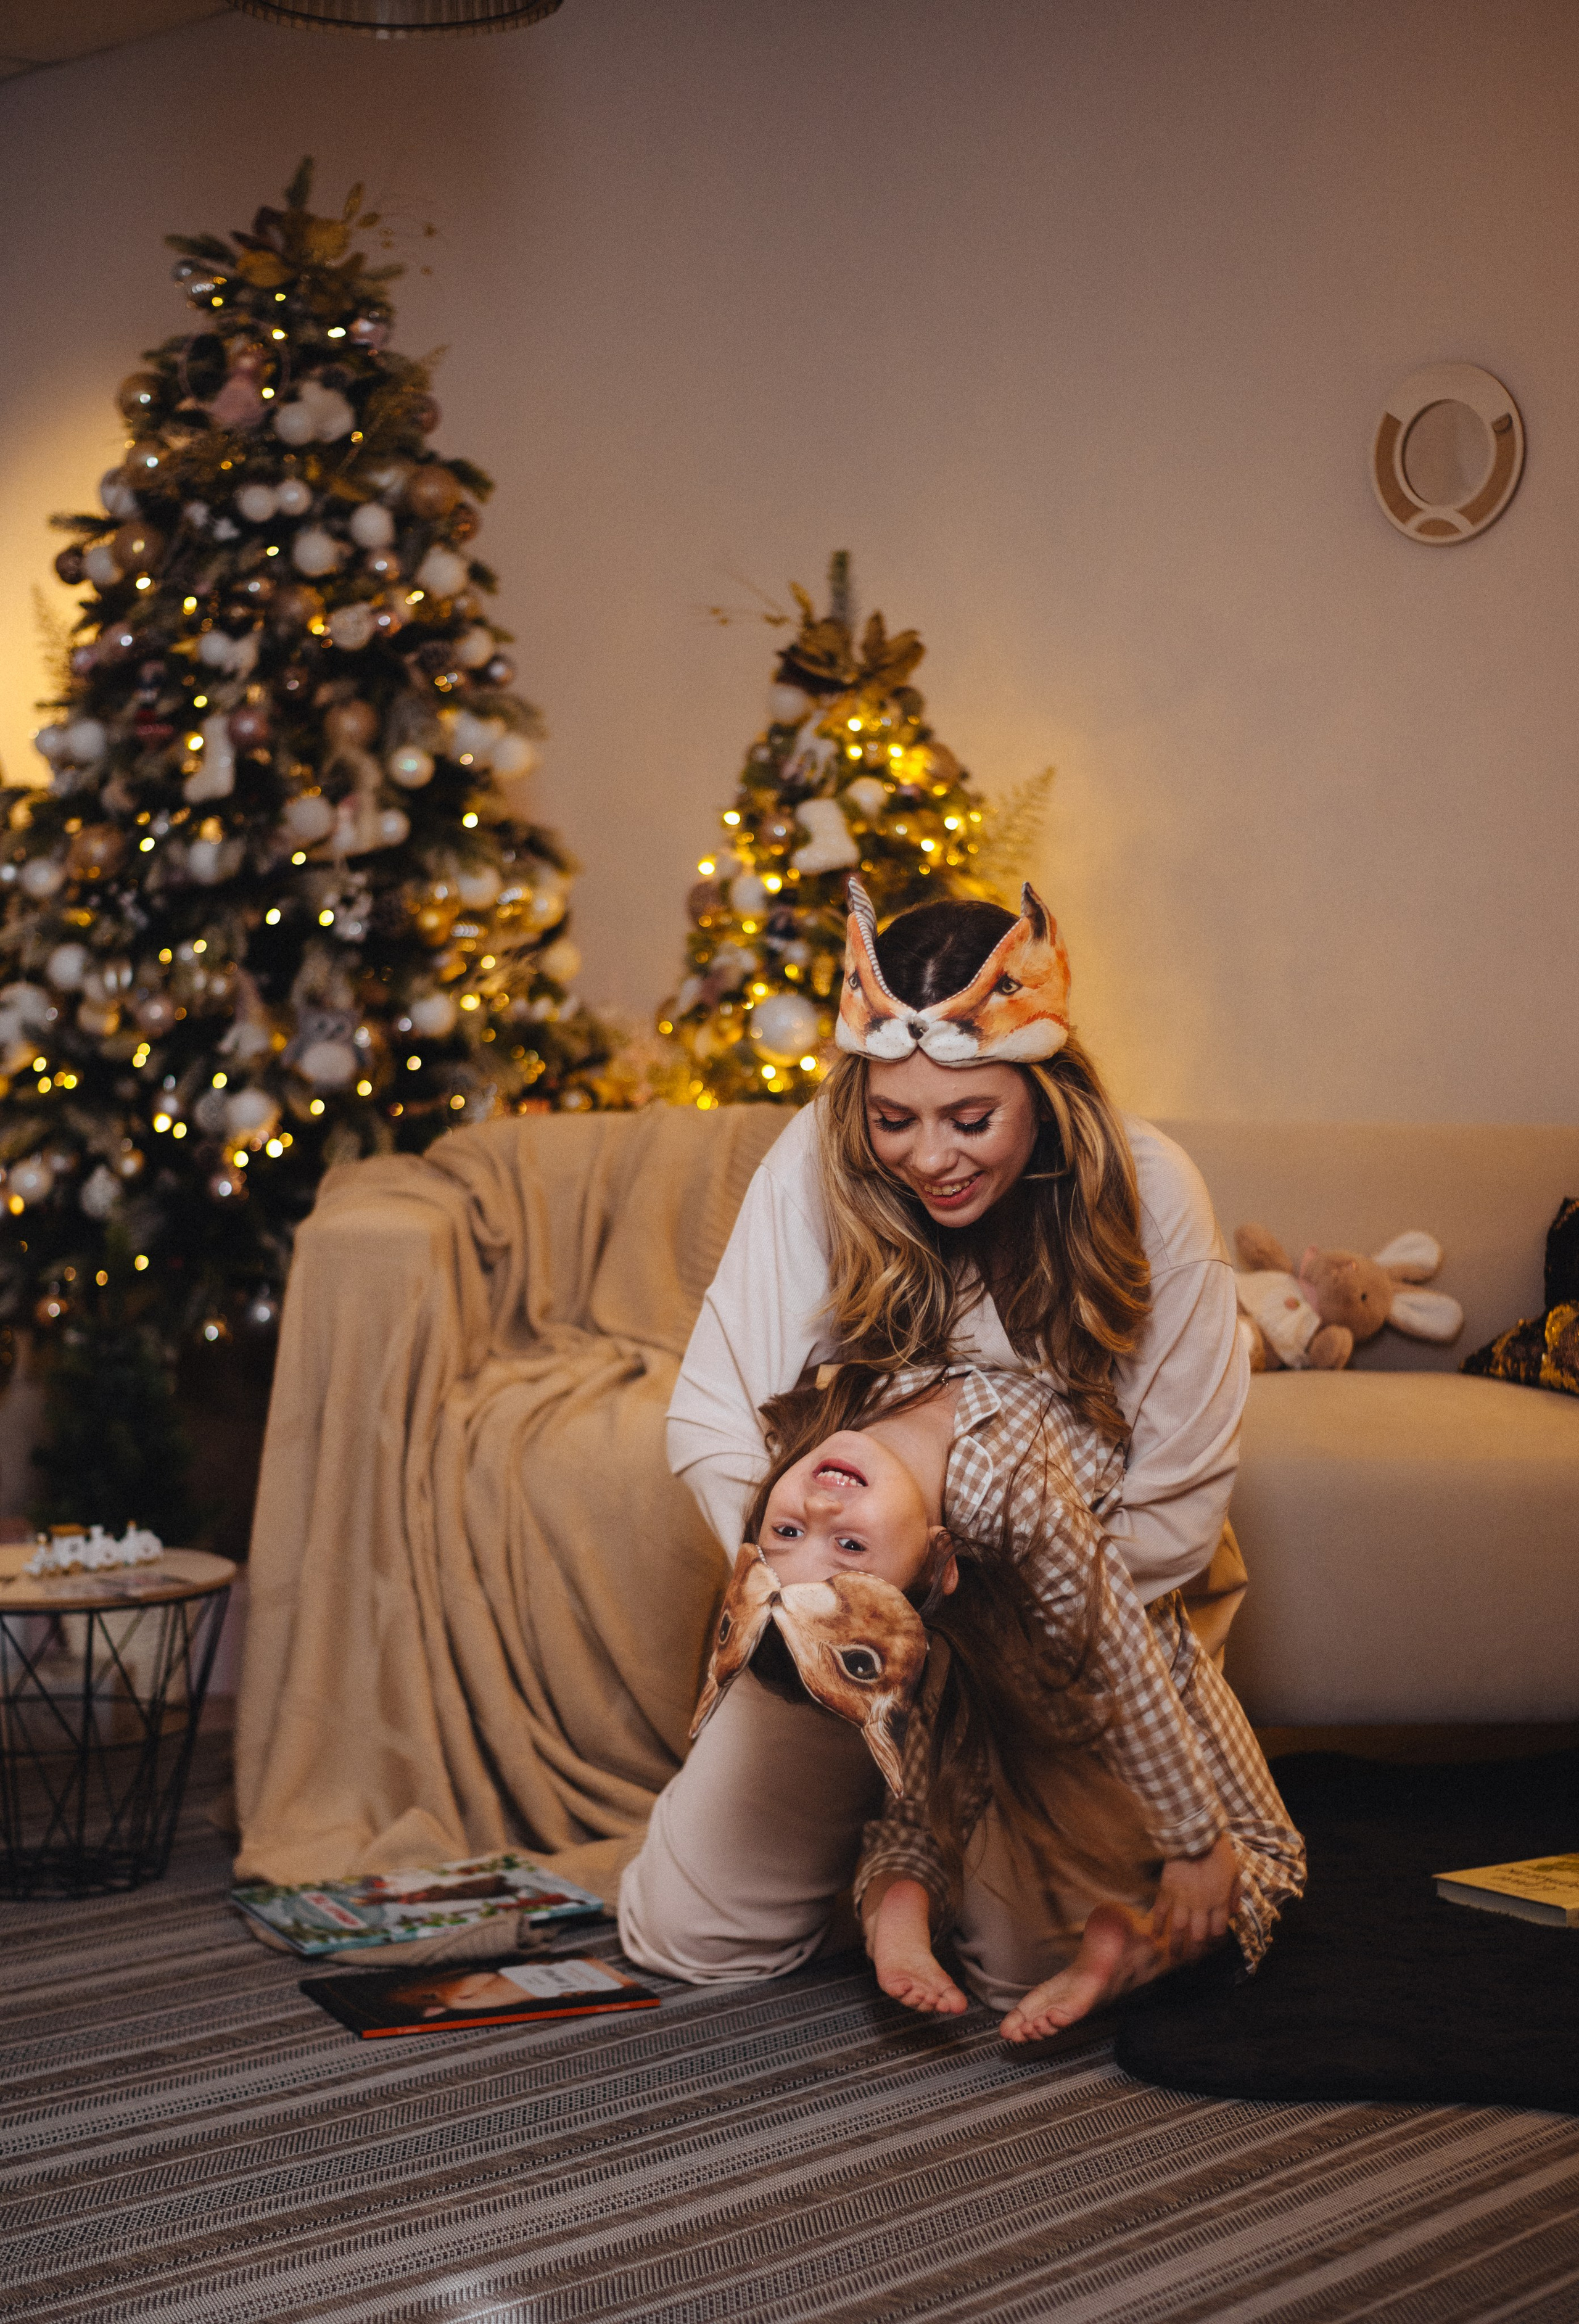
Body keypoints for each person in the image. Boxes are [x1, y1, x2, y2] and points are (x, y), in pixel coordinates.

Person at [619, 876, 1285, 2030]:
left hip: (1077, 1617)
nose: (930, 1157)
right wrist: (841, 1593)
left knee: (1032, 1964)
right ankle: (889, 1852)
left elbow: (1170, 1515)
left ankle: (925, 1862)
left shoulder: (1152, 1185)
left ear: (1043, 1089)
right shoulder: (817, 1163)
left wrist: (993, 1646)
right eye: (896, 1120)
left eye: (970, 1118)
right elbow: (714, 1417)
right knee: (690, 1936)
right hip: (867, 1599)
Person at [736, 1361, 1303, 2040]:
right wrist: (1194, 1841)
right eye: (851, 1547)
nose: (820, 1510)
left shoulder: (836, 1407)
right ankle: (1138, 1946)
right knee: (1266, 1851)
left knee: (927, 1803)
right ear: (940, 1562)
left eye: (787, 1535)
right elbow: (1123, 1662)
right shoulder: (1003, 1488)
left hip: (995, 1645)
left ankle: (897, 1897)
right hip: (1108, 1658)